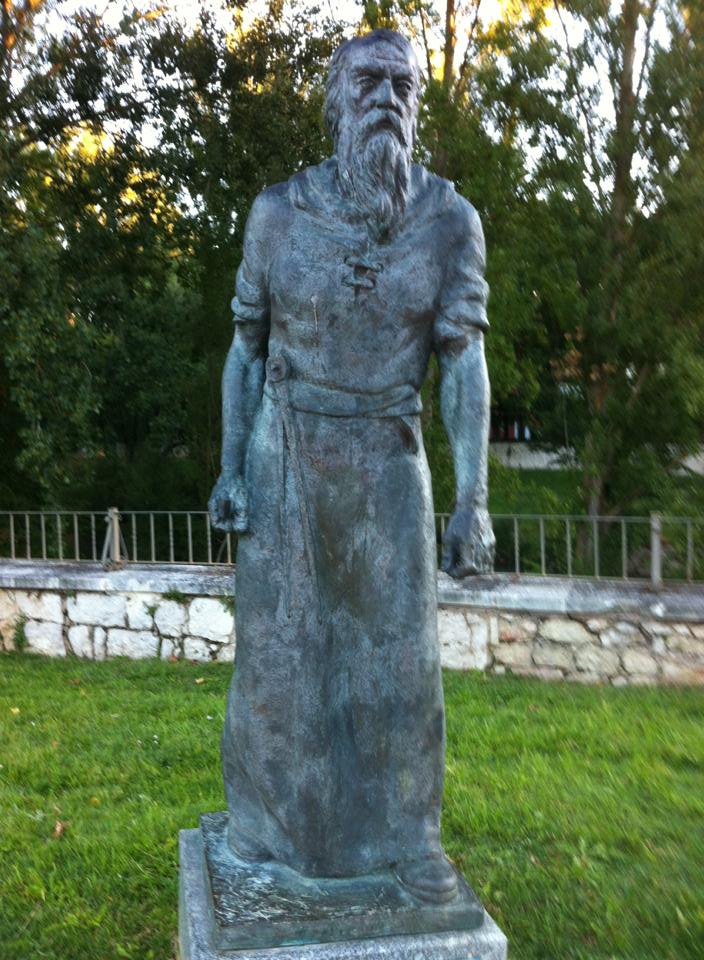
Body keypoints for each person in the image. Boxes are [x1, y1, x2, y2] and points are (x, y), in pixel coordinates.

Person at [208, 28, 494, 906]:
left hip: (389, 462)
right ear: (335, 100)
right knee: (280, 664)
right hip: (286, 454)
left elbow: (465, 366)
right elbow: (247, 349)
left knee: (400, 664)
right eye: (368, 81)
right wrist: (230, 471)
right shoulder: (277, 214)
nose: (387, 99)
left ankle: (410, 844)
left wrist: (472, 498)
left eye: (403, 86)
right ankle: (265, 833)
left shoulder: (449, 223)